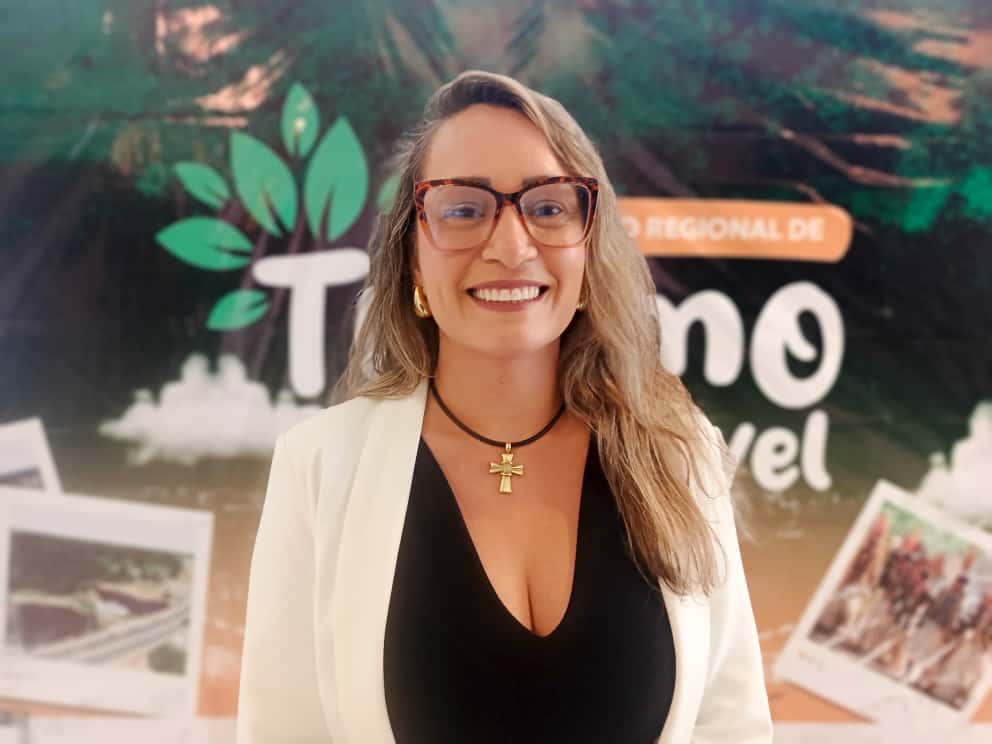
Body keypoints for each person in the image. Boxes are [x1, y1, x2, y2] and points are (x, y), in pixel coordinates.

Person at [236, 70, 772, 744]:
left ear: (588, 247)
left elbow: (731, 728)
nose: (511, 246)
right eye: (464, 210)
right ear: (413, 256)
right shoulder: (320, 465)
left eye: (548, 208)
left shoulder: (678, 453)